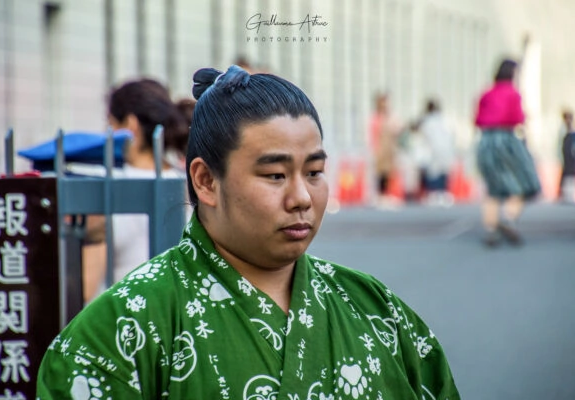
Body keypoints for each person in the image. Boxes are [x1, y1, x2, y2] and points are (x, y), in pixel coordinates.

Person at [37, 65, 460, 399]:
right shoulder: (122, 327)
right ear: (205, 181)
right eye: (275, 175)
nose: (302, 197)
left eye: (314, 172)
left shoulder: (377, 311)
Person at [82, 78, 193, 303]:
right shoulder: (190, 184)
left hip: (118, 323)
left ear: (131, 125)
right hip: (175, 318)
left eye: (111, 123)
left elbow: (85, 286)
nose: (107, 132)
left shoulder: (105, 186)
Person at [474, 59, 541, 247]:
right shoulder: (513, 94)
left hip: (486, 140)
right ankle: (509, 219)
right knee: (524, 183)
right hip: (506, 139)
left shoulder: (486, 93)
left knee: (493, 188)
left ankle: (491, 228)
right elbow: (517, 117)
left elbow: (477, 119)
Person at [417, 99, 456, 207]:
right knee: (442, 171)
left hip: (433, 150)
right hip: (445, 150)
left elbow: (423, 136)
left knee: (433, 172)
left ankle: (434, 193)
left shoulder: (427, 121)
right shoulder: (444, 120)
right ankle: (442, 193)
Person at [369, 92, 404, 207]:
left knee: (389, 172)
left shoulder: (390, 116)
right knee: (381, 173)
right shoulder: (375, 118)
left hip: (389, 149)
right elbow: (372, 134)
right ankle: (380, 195)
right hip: (380, 149)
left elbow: (398, 129)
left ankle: (387, 195)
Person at [558, 109, 575, 203]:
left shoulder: (573, 130)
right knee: (567, 175)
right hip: (566, 158)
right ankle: (566, 194)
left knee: (572, 175)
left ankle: (571, 194)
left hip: (572, 158)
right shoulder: (563, 131)